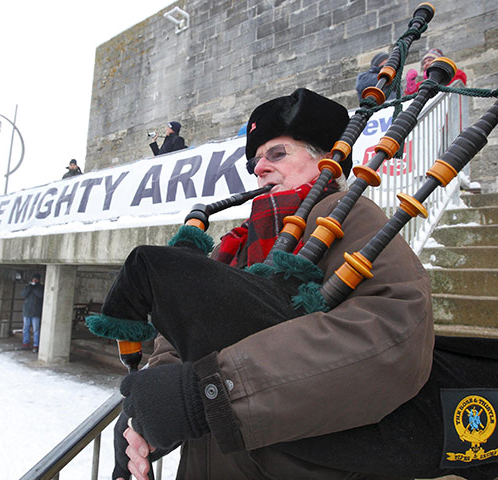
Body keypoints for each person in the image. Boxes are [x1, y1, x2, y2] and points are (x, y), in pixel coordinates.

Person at [107, 88, 434, 479]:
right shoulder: (237, 242)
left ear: (325, 160)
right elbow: (180, 337)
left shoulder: (349, 216)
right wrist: (154, 411)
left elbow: (392, 329)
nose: (259, 168)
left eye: (276, 154)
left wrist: (208, 393)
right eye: (255, 161)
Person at [19, 273, 44, 353]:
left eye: (36, 279)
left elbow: (40, 295)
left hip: (36, 312)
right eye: (33, 279)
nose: (34, 281)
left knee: (36, 329)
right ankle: (25, 343)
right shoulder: (28, 287)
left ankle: (36, 345)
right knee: (26, 328)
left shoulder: (40, 288)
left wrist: (35, 288)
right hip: (27, 311)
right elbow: (23, 295)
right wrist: (30, 287)